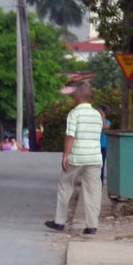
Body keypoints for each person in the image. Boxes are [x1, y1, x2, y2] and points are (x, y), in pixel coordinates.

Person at [45, 82, 104, 235]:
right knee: (94, 191)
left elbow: (70, 135)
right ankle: (92, 226)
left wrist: (65, 155)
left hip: (77, 157)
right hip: (95, 158)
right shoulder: (97, 114)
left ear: (77, 98)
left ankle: (59, 221)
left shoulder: (74, 114)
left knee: (65, 185)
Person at [97, 104, 111, 184]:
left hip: (103, 146)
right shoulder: (95, 121)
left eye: (99, 110)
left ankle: (100, 183)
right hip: (95, 146)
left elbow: (105, 126)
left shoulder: (107, 122)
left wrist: (102, 117)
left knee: (101, 166)